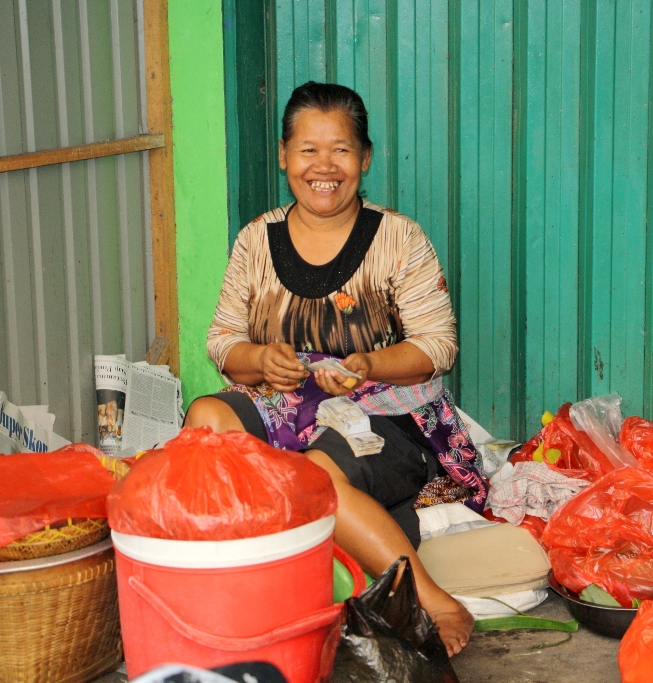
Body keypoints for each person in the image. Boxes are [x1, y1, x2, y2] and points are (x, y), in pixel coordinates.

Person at [185, 81, 486, 656]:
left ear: (365, 157)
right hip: (283, 403)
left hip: (382, 411)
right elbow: (223, 340)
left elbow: (438, 345)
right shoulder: (256, 239)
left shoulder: (398, 238)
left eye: (341, 150)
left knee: (317, 477)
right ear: (283, 155)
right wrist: (259, 359)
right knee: (204, 419)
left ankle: (437, 600)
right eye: (307, 150)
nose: (324, 166)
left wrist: (369, 362)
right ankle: (227, 578)